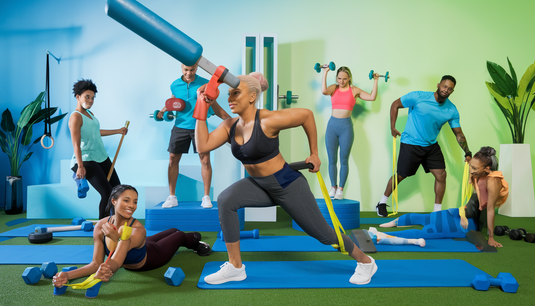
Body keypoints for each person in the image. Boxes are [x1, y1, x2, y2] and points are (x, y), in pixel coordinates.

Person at [195, 72, 377, 285]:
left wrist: (315, 153)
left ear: (252, 97)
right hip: (258, 184)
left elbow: (307, 115)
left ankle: (365, 262)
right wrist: (202, 105)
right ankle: (235, 267)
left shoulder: (268, 120)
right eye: (228, 94)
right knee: (226, 200)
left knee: (323, 234)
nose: (230, 98)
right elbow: (202, 145)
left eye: (236, 93)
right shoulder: (229, 126)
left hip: (287, 184)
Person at [52, 185, 210, 288]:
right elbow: (95, 264)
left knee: (180, 235)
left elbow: (116, 263)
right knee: (174, 230)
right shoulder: (101, 225)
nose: (131, 206)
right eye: (126, 200)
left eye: (135, 201)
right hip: (144, 247)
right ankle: (189, 236)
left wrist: (108, 268)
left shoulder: (138, 229)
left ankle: (195, 242)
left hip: (154, 256)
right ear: (113, 201)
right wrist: (67, 275)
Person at [376, 75, 471, 217]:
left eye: (450, 89)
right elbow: (395, 104)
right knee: (401, 175)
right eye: (444, 86)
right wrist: (392, 127)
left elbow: (459, 134)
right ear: (439, 85)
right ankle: (382, 202)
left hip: (431, 145)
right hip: (411, 143)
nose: (446, 90)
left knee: (441, 175)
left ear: (452, 91)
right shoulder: (418, 96)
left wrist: (467, 151)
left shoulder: (451, 110)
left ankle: (436, 211)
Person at [379, 147, 508, 248]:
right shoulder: (479, 174)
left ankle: (384, 236)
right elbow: (474, 201)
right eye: (471, 166)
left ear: (487, 168)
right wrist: (463, 214)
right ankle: (393, 223)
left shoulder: (493, 182)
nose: (471, 170)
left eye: (474, 168)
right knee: (426, 218)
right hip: (459, 213)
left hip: (468, 223)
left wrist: (490, 237)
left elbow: (489, 209)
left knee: (428, 231)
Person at [158, 64, 231, 209]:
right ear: (181, 68)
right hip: (180, 126)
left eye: (192, 70)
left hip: (199, 126)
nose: (189, 73)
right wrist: (162, 110)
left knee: (205, 159)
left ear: (196, 68)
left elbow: (214, 106)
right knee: (173, 159)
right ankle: (172, 197)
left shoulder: (204, 83)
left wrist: (232, 122)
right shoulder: (175, 85)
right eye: (186, 70)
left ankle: (206, 197)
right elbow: (174, 99)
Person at [69, 79, 128, 219]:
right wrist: (80, 166)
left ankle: (116, 222)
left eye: (93, 97)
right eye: (87, 97)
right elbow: (76, 144)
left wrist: (118, 131)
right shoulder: (76, 117)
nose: (90, 100)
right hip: (86, 159)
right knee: (107, 193)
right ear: (78, 96)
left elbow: (96, 132)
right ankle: (103, 228)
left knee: (117, 190)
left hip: (101, 156)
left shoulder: (90, 114)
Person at [321, 67, 379, 200]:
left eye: (344, 79)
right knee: (332, 160)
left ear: (349, 78)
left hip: (346, 128)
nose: (341, 81)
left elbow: (371, 97)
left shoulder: (354, 90)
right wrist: (325, 73)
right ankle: (333, 187)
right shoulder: (333, 88)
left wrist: (375, 81)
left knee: (344, 159)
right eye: (339, 78)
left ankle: (340, 189)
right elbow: (324, 91)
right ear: (337, 78)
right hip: (332, 127)